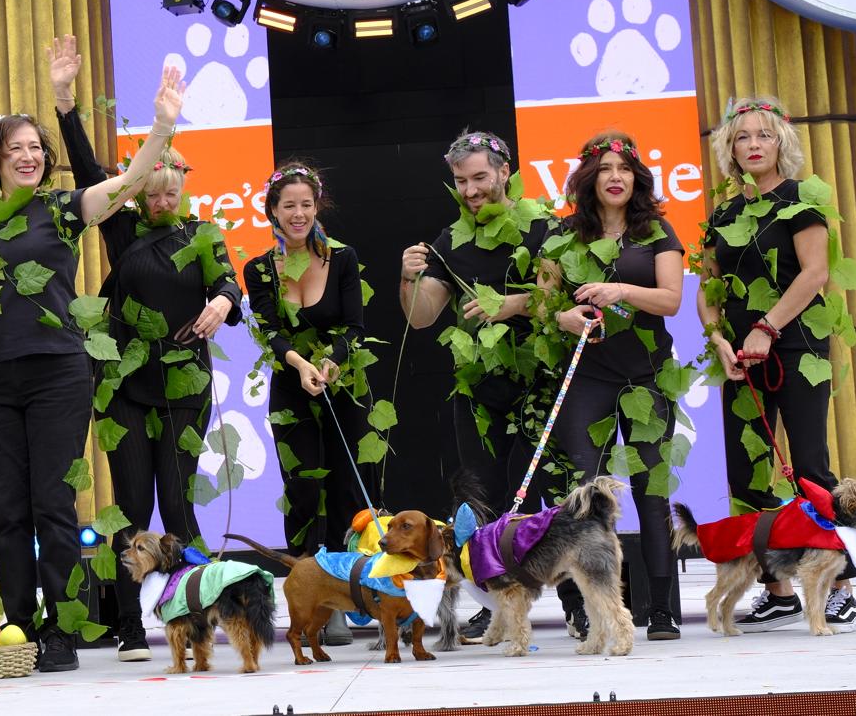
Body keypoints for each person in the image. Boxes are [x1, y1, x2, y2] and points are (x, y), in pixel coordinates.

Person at [0, 63, 186, 673]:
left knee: (53, 507)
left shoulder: (64, 210)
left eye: (37, 147)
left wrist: (162, 127)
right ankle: (19, 627)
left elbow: (129, 181)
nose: (30, 156)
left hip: (59, 374)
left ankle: (62, 633)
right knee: (7, 509)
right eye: (17, 148)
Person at [50, 35, 243, 662]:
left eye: (169, 192)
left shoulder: (204, 234)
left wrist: (222, 302)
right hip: (126, 390)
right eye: (150, 192)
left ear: (182, 190)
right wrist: (65, 105)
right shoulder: (125, 229)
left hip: (184, 388)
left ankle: (195, 621)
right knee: (129, 507)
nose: (159, 201)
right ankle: (130, 627)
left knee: (178, 506)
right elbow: (85, 175)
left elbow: (224, 282)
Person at [398, 128, 572, 642]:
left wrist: (510, 304)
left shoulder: (543, 226)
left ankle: (576, 602)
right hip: (479, 392)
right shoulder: (450, 241)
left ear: (504, 172)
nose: (471, 189)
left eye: (479, 177)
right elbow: (422, 317)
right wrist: (407, 278)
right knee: (482, 502)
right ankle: (495, 603)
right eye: (461, 181)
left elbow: (557, 301)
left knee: (553, 497)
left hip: (542, 381)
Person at [697, 95, 856, 632]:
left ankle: (838, 585)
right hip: (740, 356)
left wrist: (768, 328)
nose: (753, 145)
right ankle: (778, 588)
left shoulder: (801, 200)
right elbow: (708, 289)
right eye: (742, 137)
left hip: (796, 348)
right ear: (730, 148)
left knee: (810, 465)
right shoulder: (723, 214)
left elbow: (813, 274)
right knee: (746, 470)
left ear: (781, 142)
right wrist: (719, 337)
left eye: (763, 135)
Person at [538, 131, 684, 642]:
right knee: (584, 496)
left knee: (651, 493)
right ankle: (590, 610)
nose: (615, 177)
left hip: (648, 375)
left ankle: (662, 609)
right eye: (604, 170)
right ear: (588, 180)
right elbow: (544, 305)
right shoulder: (563, 236)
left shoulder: (657, 232)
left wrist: (620, 289)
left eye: (624, 169)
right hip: (588, 378)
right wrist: (566, 318)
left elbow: (670, 301)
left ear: (637, 177)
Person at [244, 161, 369, 647]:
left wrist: (332, 362)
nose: (298, 213)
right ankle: (306, 595)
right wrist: (300, 364)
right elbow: (269, 330)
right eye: (288, 205)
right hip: (292, 386)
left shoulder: (343, 257)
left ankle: (344, 595)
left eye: (306, 204)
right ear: (272, 211)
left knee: (344, 493)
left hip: (343, 383)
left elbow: (355, 327)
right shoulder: (258, 268)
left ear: (318, 206)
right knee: (301, 491)